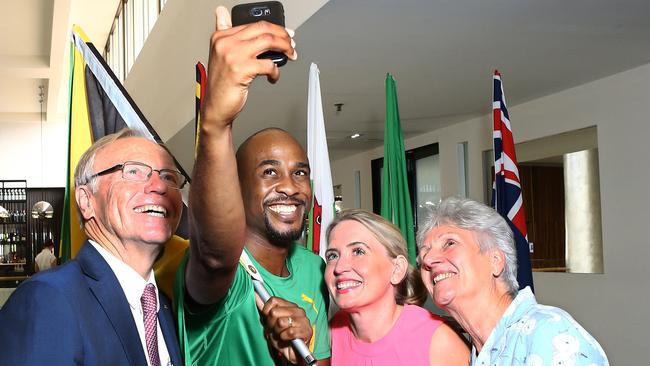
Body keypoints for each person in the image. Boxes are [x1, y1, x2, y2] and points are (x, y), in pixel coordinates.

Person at [173, 6, 330, 366]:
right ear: (237, 188)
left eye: (301, 172)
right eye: (269, 173)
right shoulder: (227, 271)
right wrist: (216, 123)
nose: (291, 186)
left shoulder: (315, 268)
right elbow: (214, 257)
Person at [0, 129, 184, 366]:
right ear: (86, 201)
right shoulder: (48, 299)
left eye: (168, 176)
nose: (159, 186)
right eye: (133, 171)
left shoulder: (165, 304)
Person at [417, 197, 609, 365]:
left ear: (495, 261)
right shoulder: (481, 353)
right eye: (424, 252)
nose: (427, 259)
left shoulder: (549, 335)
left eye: (449, 243)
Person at [325, 209, 469, 365]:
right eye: (333, 255)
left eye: (358, 251)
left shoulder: (439, 342)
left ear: (397, 269)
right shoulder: (332, 331)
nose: (339, 267)